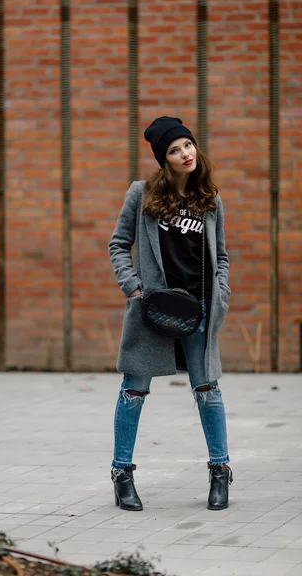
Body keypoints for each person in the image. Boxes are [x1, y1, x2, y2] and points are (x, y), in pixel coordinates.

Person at [108, 116, 233, 512]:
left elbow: (222, 256)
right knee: (133, 389)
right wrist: (135, 288)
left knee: (208, 390)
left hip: (198, 309)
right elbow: (117, 244)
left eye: (188, 145)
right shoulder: (141, 193)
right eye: (174, 150)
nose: (185, 154)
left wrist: (222, 293)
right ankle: (121, 473)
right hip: (153, 309)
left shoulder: (210, 199)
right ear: (164, 159)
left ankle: (220, 470)